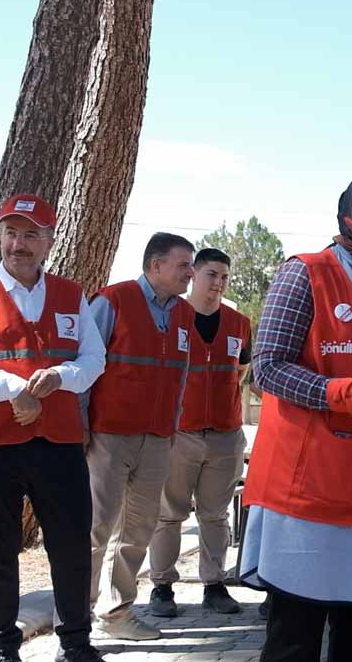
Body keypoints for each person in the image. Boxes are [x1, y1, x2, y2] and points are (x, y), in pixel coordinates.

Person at [239, 166, 352, 662]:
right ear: (351, 207)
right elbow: (268, 369)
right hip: (307, 491)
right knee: (294, 639)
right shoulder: (306, 272)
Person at [0, 194, 106, 662]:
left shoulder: (71, 294)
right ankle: (1, 648)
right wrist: (15, 389)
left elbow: (93, 360)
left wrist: (59, 379)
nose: (19, 243)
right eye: (11, 232)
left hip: (58, 441)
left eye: (31, 234)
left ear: (49, 241)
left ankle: (75, 642)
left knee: (71, 544)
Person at [86, 232, 197, 641]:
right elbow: (85, 368)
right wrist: (81, 427)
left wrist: (173, 425)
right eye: (183, 265)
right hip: (108, 436)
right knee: (95, 529)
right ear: (155, 266)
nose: (190, 272)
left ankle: (116, 614)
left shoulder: (184, 314)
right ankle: (76, 619)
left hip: (157, 438)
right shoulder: (111, 302)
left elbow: (180, 377)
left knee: (138, 529)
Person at [148, 247, 251, 617]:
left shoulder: (239, 323)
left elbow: (241, 371)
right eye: (211, 275)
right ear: (193, 274)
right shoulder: (171, 316)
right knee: (169, 513)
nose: (218, 284)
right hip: (180, 434)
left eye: (224, 277)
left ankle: (214, 584)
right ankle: (161, 586)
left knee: (215, 515)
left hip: (225, 435)